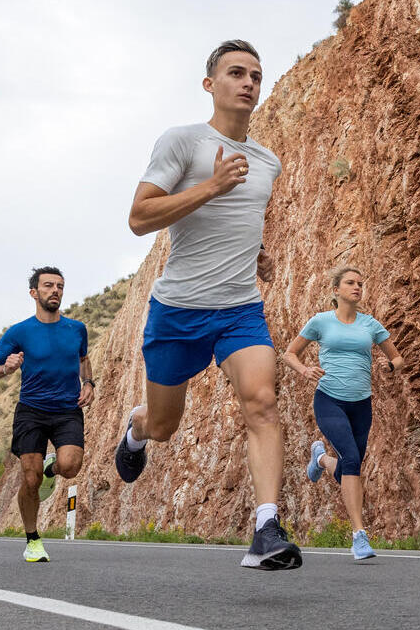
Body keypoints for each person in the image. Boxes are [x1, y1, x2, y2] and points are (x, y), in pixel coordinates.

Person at [114, 39, 300, 571]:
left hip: (239, 308)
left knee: (262, 401)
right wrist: (211, 187)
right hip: (177, 310)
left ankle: (266, 529)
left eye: (255, 76)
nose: (247, 83)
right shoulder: (183, 142)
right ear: (210, 84)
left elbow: (239, 223)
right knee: (165, 426)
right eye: (235, 73)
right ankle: (136, 427)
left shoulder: (268, 162)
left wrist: (257, 254)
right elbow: (140, 217)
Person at [285, 266, 406, 563]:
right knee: (352, 461)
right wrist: (304, 369)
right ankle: (359, 536)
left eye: (360, 284)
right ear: (336, 290)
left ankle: (322, 459)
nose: (357, 288)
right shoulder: (320, 322)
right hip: (329, 400)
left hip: (361, 405)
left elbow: (398, 358)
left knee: (349, 468)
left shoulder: (370, 325)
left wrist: (388, 367)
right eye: (350, 283)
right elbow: (289, 353)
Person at [0, 266, 92, 564]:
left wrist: (89, 382)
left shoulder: (76, 329)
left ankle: (52, 466)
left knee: (70, 466)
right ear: (34, 292)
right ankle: (33, 539)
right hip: (31, 411)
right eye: (47, 286)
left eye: (59, 286)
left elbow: (83, 358)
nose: (55, 290)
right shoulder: (19, 332)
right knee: (30, 480)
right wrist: (7, 367)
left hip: (67, 410)